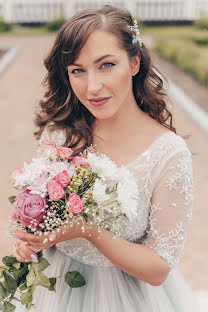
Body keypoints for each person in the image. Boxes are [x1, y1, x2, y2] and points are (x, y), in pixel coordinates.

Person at [11, 5, 201, 311]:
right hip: (56, 292)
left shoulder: (168, 153)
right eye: (78, 70)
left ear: (135, 62)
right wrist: (29, 241)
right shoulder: (60, 136)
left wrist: (87, 231)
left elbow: (159, 268)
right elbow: (45, 220)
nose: (93, 86)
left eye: (107, 65)